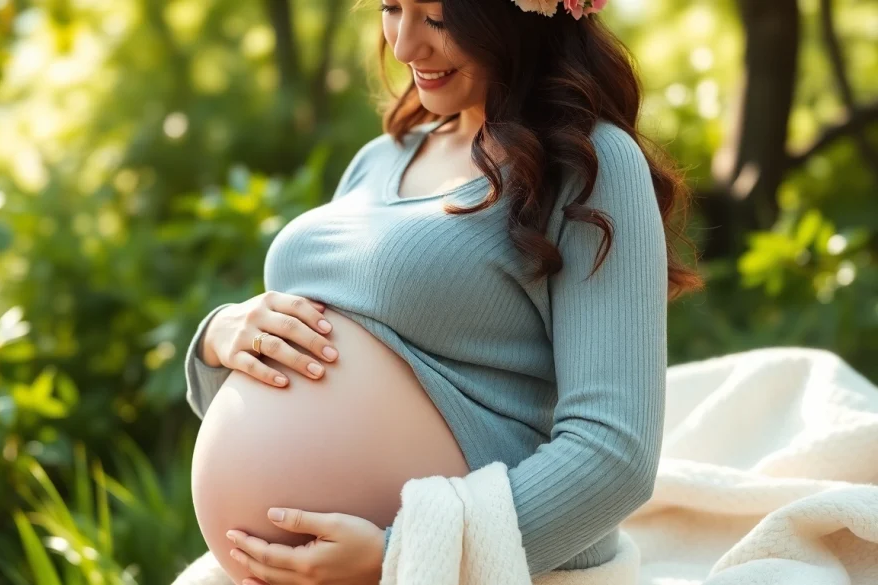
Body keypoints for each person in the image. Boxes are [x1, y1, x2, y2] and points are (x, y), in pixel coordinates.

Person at [182, 0, 704, 583]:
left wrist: (403, 553)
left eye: (437, 18)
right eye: (390, 7)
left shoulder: (588, 163)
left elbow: (615, 456)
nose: (405, 46)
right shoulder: (380, 158)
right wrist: (219, 339)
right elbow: (290, 390)